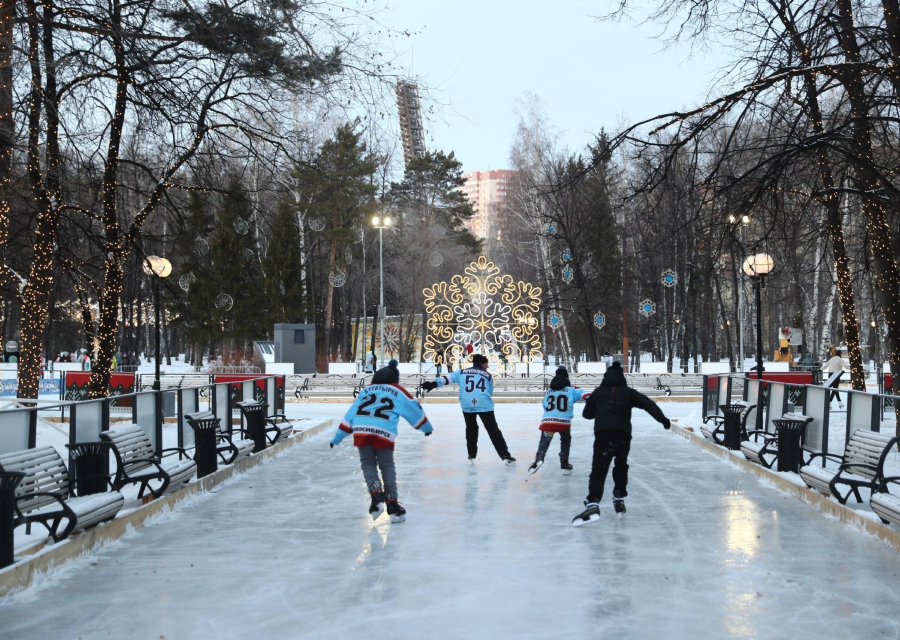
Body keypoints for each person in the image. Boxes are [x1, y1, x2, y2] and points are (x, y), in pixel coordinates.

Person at [331, 361, 434, 523]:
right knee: (387, 466)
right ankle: (392, 504)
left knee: (367, 463)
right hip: (383, 432)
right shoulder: (398, 391)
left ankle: (376, 493)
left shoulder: (365, 390)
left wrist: (337, 438)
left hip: (361, 429)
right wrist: (425, 427)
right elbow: (414, 409)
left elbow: (349, 415)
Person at [572, 361, 671, 526]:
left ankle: (593, 502)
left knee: (599, 469)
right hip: (623, 435)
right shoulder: (628, 393)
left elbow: (587, 415)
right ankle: (619, 495)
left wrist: (595, 405)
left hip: (603, 435)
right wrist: (662, 419)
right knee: (620, 464)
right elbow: (648, 404)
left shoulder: (598, 392)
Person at [421, 353, 515, 466]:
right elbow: (489, 391)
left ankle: (471, 454)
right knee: (493, 430)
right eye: (486, 364)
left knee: (471, 428)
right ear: (481, 363)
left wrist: (433, 384)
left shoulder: (461, 372)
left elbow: (446, 379)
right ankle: (505, 456)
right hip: (484, 402)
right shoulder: (487, 375)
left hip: (467, 402)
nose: (488, 366)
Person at [528, 366, 591, 476]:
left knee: (544, 440)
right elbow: (586, 396)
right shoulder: (572, 390)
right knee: (565, 439)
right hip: (564, 422)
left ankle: (539, 457)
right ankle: (564, 463)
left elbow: (544, 404)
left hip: (548, 421)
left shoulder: (548, 391)